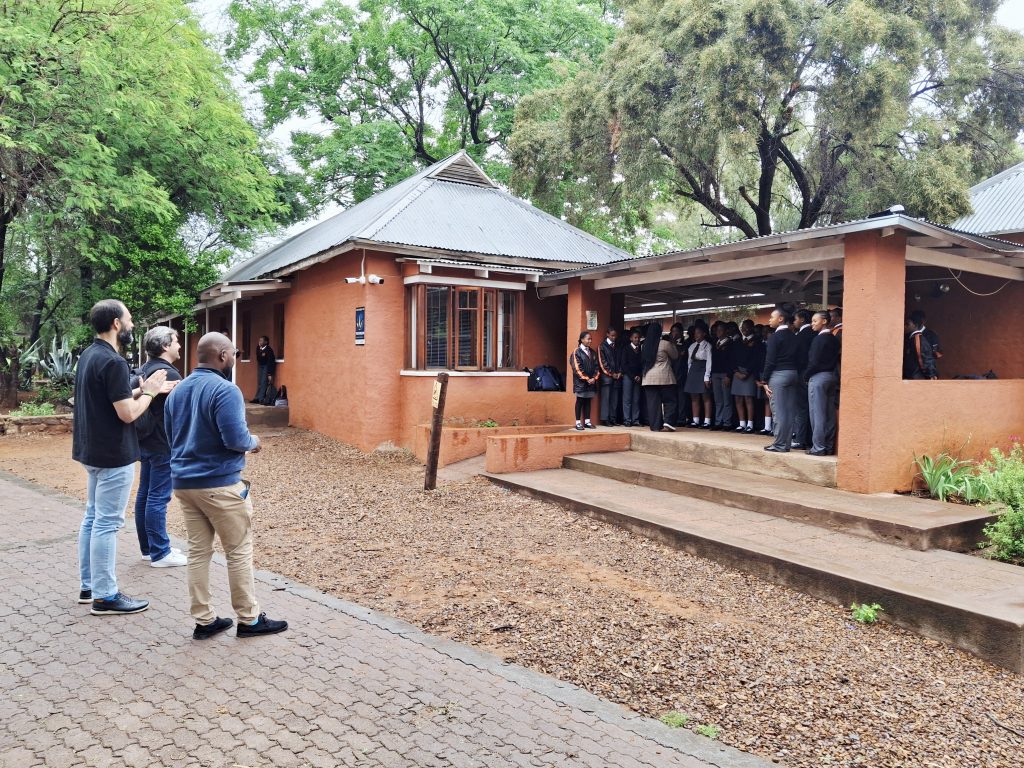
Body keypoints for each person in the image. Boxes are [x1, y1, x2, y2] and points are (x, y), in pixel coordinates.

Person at [164, 332, 287, 639]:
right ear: (221, 355)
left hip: (184, 484)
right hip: (220, 485)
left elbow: (171, 436)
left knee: (198, 552)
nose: (234, 358)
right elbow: (236, 440)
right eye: (233, 353)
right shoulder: (226, 390)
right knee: (238, 551)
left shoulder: (178, 391)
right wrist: (255, 442)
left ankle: (204, 621)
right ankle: (249, 619)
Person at [74, 299, 172, 615]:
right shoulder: (113, 362)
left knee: (92, 517)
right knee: (106, 523)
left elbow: (111, 399)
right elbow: (128, 415)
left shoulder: (89, 356)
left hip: (91, 450)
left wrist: (139, 391)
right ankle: (105, 596)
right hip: (113, 455)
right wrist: (152, 392)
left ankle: (89, 586)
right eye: (129, 319)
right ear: (116, 323)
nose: (131, 325)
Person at [133, 327, 186, 568]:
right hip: (162, 442)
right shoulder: (168, 373)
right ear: (165, 346)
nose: (179, 346)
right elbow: (181, 412)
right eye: (176, 341)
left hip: (146, 440)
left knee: (145, 494)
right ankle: (160, 552)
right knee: (157, 497)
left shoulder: (147, 368)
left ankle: (149, 548)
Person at [761, 304, 800, 453]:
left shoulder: (774, 337)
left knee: (778, 411)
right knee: (789, 411)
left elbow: (769, 361)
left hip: (778, 375)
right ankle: (786, 443)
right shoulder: (794, 336)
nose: (770, 320)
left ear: (781, 319)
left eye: (772, 317)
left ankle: (779, 444)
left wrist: (764, 380)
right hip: (793, 374)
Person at [804, 311, 841, 456]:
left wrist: (806, 376)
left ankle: (818, 447)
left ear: (824, 321)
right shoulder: (834, 339)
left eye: (814, 321)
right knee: (829, 414)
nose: (812, 324)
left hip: (818, 378)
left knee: (817, 414)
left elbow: (813, 362)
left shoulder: (818, 339)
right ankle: (829, 446)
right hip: (832, 377)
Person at [641, 321, 678, 431]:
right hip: (664, 377)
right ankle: (668, 422)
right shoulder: (664, 344)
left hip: (648, 378)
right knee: (670, 400)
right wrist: (673, 343)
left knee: (653, 404)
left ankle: (655, 426)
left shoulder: (644, 345)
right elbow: (675, 355)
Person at [731, 319, 760, 433]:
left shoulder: (756, 341)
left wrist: (747, 372)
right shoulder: (737, 341)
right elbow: (732, 357)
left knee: (748, 398)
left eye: (747, 327)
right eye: (743, 327)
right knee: (738, 398)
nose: (744, 329)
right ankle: (741, 423)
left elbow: (756, 359)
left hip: (749, 372)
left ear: (752, 328)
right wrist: (735, 371)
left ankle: (750, 424)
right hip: (737, 372)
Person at [792, 308, 815, 449]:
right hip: (812, 373)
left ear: (801, 319)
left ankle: (801, 439)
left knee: (801, 408)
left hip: (802, 374)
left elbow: (799, 358)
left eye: (795, 319)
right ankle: (810, 438)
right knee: (811, 408)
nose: (794, 321)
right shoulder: (815, 333)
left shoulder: (800, 336)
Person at [684, 324, 713, 428]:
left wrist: (707, 376)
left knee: (705, 396)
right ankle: (695, 420)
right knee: (694, 396)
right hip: (693, 370)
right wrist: (689, 373)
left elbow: (709, 361)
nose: (696, 335)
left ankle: (707, 420)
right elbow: (689, 362)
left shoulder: (708, 346)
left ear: (704, 334)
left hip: (703, 369)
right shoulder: (692, 346)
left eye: (699, 333)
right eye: (695, 333)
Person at [570, 332, 599, 430]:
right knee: (580, 401)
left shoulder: (593, 352)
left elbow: (597, 367)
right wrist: (587, 379)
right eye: (588, 339)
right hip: (581, 383)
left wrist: (594, 378)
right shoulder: (576, 352)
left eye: (591, 339)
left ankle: (587, 421)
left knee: (588, 401)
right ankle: (578, 422)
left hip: (591, 382)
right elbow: (577, 369)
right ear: (582, 340)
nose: (590, 341)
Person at [710, 323, 734, 430]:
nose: (718, 332)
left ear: (726, 331)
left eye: (720, 330)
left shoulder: (730, 343)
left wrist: (729, 375)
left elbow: (731, 361)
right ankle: (718, 421)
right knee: (718, 399)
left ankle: (727, 422)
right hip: (715, 373)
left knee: (726, 399)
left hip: (725, 374)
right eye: (717, 330)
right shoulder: (715, 343)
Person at [598, 327, 623, 426]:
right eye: (612, 335)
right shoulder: (602, 346)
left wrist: (619, 372)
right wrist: (611, 373)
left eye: (615, 336)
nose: (614, 337)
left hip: (616, 377)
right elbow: (602, 363)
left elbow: (620, 360)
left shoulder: (617, 346)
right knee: (606, 399)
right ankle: (605, 419)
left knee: (614, 399)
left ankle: (613, 418)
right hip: (607, 378)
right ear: (607, 334)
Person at [620, 329, 644, 427]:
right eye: (635, 337)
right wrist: (633, 376)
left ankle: (635, 420)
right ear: (631, 338)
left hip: (638, 377)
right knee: (627, 399)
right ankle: (627, 420)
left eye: (638, 338)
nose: (637, 339)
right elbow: (624, 365)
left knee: (636, 399)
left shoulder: (641, 349)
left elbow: (642, 364)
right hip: (628, 377)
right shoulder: (626, 349)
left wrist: (639, 375)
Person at [904, 315, 938, 380]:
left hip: (917, 377)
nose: (905, 326)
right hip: (912, 376)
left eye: (907, 324)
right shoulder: (911, 338)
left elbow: (924, 358)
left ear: (915, 325)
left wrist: (931, 374)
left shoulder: (917, 339)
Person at [252, 336, 276, 404]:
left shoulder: (269, 350)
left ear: (266, 342)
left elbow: (271, 362)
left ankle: (261, 399)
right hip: (260, 366)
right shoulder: (258, 348)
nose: (260, 341)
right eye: (259, 340)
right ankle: (257, 398)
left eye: (261, 340)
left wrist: (269, 373)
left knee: (263, 382)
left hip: (266, 366)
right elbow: (258, 357)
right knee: (259, 382)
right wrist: (260, 351)